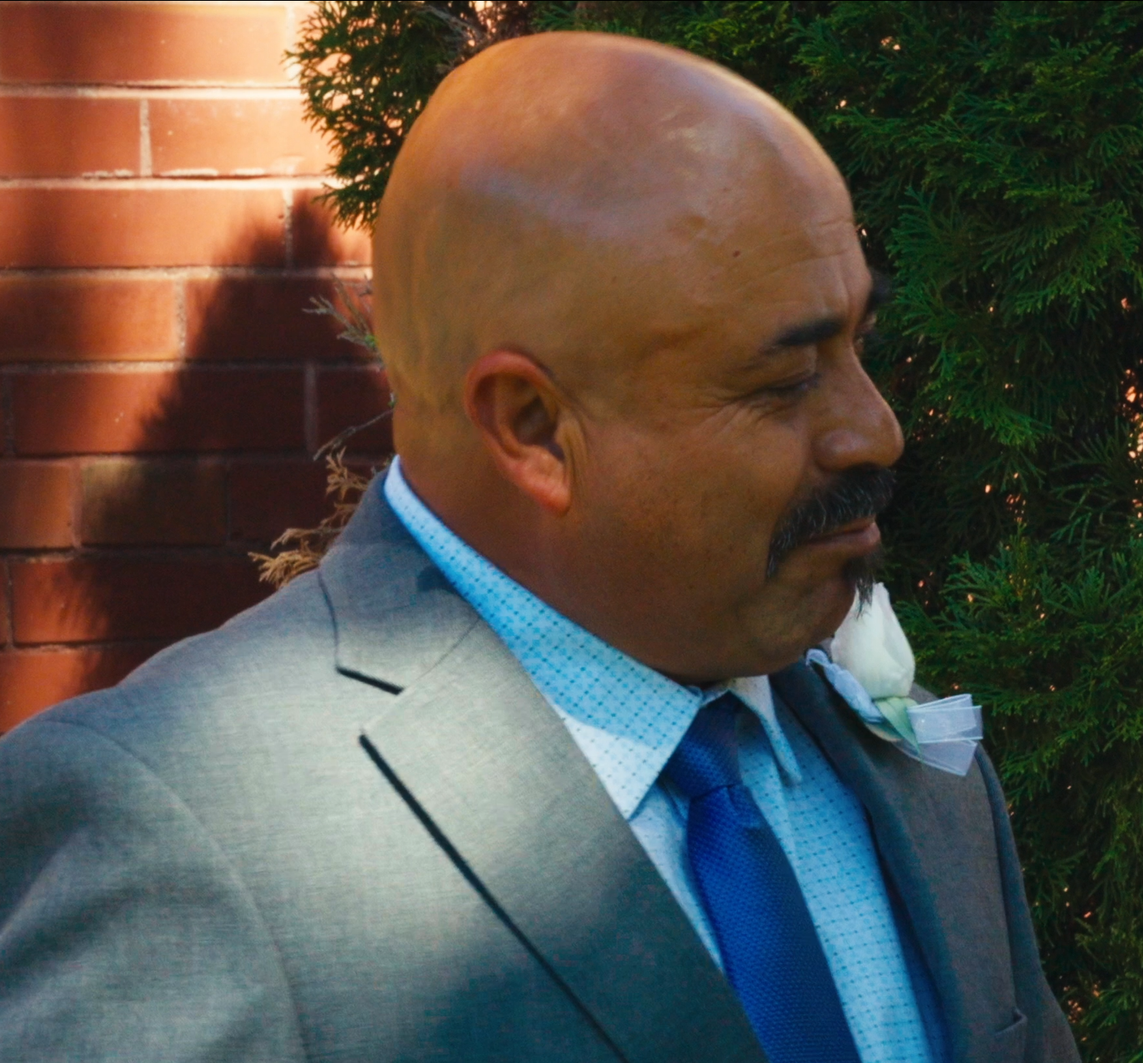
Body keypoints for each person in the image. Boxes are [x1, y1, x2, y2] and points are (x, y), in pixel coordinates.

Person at [0, 32, 1077, 1063]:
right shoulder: (177, 836)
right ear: (531, 428)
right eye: (784, 379)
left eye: (859, 342)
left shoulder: (914, 772)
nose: (875, 429)